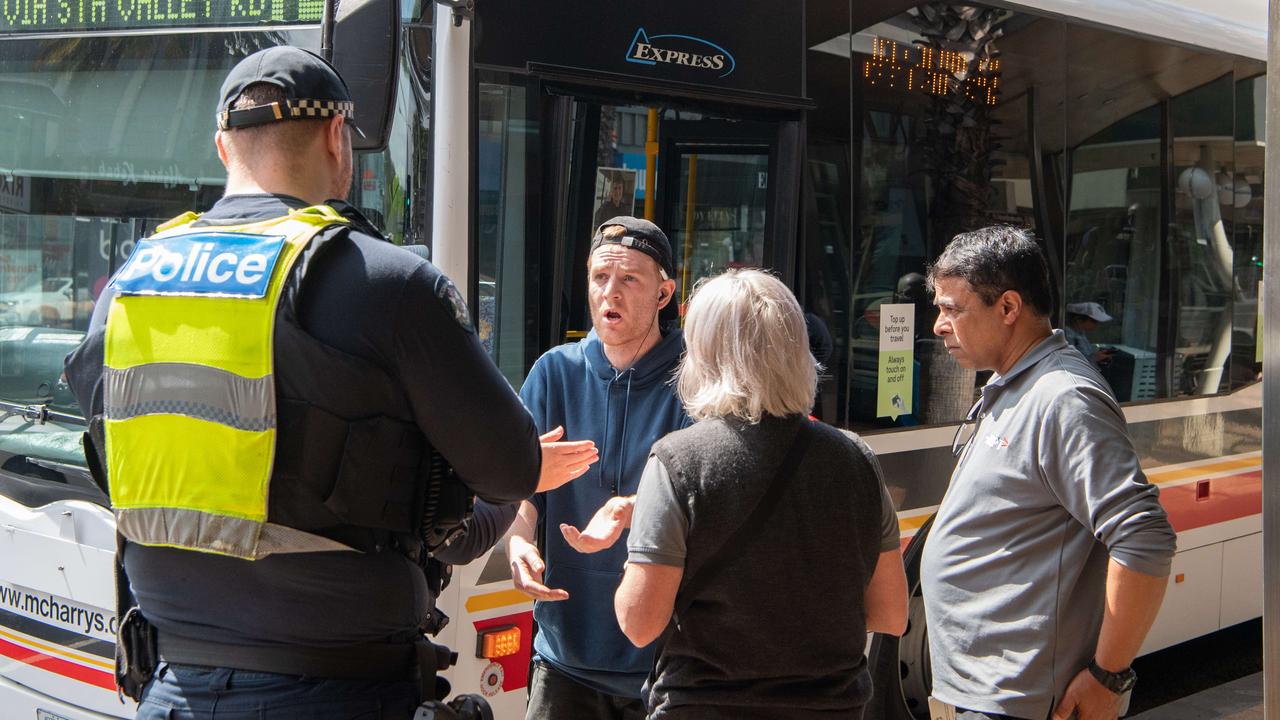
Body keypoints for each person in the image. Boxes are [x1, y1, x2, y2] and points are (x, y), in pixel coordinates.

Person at [63, 46, 544, 719]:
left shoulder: (130, 283)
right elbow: (510, 466)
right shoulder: (391, 282)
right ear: (335, 136)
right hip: (339, 692)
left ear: (223, 149)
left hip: (170, 691)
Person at [615, 269, 909, 719]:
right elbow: (891, 614)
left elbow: (639, 624)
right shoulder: (857, 460)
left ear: (705, 355)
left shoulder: (678, 461)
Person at [920, 226, 1176, 720]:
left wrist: (1109, 676)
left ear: (1009, 308)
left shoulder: (1063, 397)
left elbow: (1145, 537)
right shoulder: (1013, 380)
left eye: (952, 308)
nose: (938, 324)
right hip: (984, 692)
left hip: (1022, 701)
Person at [506, 216, 691, 719]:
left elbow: (714, 502)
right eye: (599, 278)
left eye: (630, 279)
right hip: (564, 657)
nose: (611, 292)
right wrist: (520, 538)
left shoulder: (694, 380)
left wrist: (636, 508)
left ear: (663, 293)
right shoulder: (554, 372)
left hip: (667, 663)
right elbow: (523, 489)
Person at [1064, 301, 1115, 369]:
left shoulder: (1080, 334)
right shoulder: (1067, 335)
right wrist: (1094, 358)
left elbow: (1085, 353)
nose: (1097, 325)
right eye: (1094, 321)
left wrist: (1099, 356)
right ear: (1079, 320)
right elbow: (1069, 362)